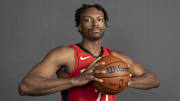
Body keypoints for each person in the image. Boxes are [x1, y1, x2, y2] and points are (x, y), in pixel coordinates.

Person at [18, 3, 160, 101]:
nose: (95, 23)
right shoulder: (66, 54)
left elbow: (153, 80)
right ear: (79, 27)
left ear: (105, 25)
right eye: (88, 20)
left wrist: (125, 81)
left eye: (100, 19)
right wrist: (74, 81)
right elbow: (26, 86)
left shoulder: (116, 57)